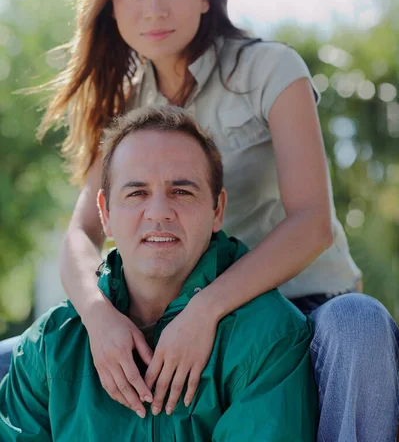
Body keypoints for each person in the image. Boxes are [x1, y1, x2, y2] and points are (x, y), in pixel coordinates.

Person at [1, 0, 397, 441]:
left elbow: (313, 224)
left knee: (360, 325)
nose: (155, 8)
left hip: (296, 306)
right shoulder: (122, 100)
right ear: (110, 7)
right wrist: (98, 318)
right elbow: (81, 233)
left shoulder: (271, 70)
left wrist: (206, 309)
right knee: (16, 357)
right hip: (174, 310)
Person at [0, 106, 318, 441]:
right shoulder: (50, 346)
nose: (159, 213)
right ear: (105, 213)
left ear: (217, 210)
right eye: (137, 193)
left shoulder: (268, 337)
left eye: (182, 192)